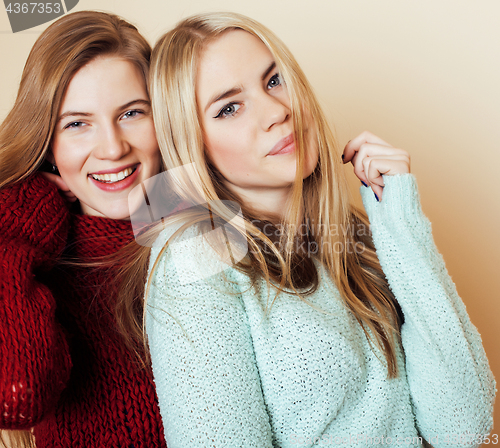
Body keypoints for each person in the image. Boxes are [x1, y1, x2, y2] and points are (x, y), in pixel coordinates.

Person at [127, 12, 497, 448]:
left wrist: (400, 219)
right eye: (229, 107)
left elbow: (464, 424)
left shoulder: (355, 236)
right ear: (193, 141)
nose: (278, 112)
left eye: (274, 80)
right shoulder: (192, 251)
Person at [0, 11, 167, 448]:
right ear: (47, 145)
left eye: (132, 113)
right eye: (77, 124)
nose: (113, 147)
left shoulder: (216, 230)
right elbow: (16, 399)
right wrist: (14, 226)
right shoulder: (33, 273)